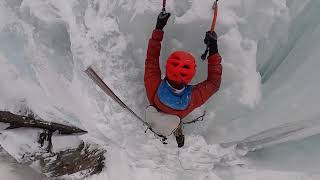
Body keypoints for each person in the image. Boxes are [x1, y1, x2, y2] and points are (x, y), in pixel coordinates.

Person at [144, 11, 222, 148]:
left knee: (168, 117)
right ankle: (177, 132)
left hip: (156, 110)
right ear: (191, 76)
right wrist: (213, 49)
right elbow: (214, 83)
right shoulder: (192, 98)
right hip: (176, 117)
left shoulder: (153, 86)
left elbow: (151, 59)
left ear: (167, 68)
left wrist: (158, 28)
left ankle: (169, 127)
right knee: (176, 121)